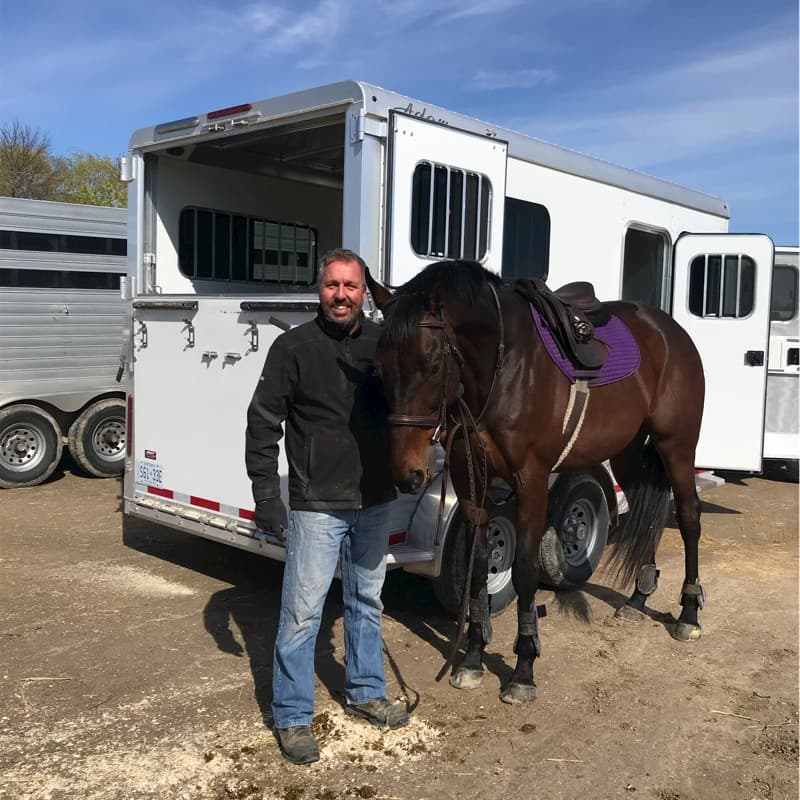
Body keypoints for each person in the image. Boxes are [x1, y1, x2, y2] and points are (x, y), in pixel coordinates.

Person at [245, 248, 409, 766]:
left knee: (367, 604)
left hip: (375, 500)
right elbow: (262, 422)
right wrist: (268, 495)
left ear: (365, 292)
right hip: (317, 503)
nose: (341, 295)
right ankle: (292, 716)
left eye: (351, 286)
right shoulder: (293, 348)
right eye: (333, 285)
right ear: (320, 290)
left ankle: (365, 692)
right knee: (302, 612)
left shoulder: (386, 346)